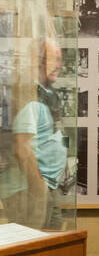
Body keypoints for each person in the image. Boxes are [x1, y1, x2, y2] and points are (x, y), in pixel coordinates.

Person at [1, 37, 68, 230]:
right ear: (38, 61)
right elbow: (22, 149)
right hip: (31, 188)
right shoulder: (30, 95)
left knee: (50, 242)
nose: (58, 65)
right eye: (53, 59)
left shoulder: (47, 94)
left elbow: (56, 131)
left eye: (59, 59)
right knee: (35, 249)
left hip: (46, 184)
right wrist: (40, 189)